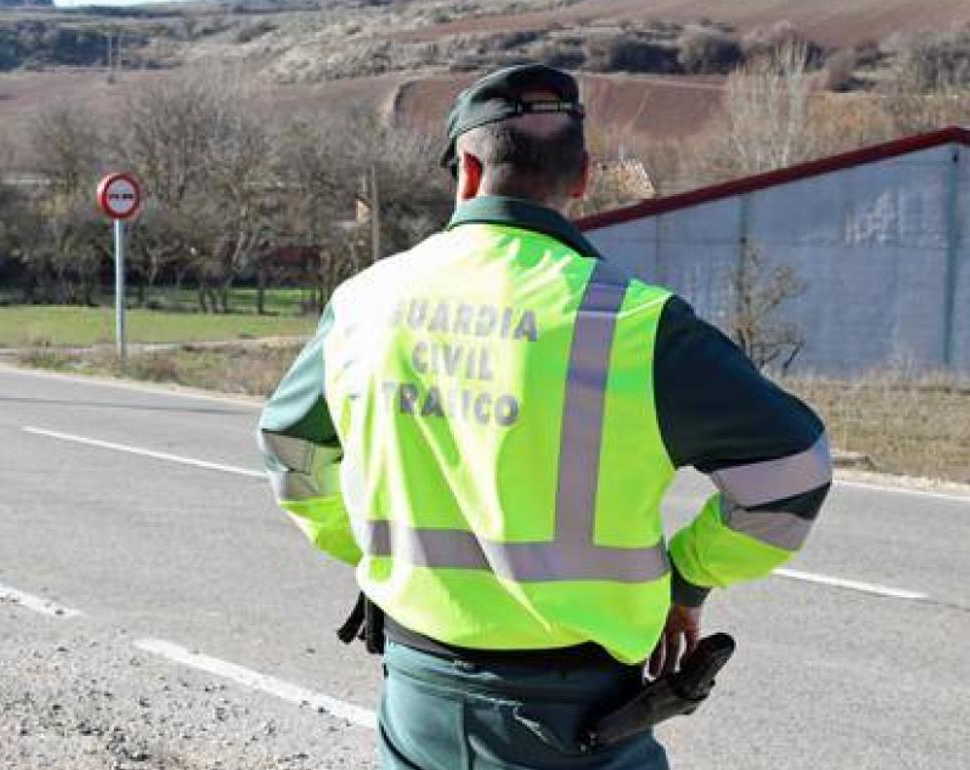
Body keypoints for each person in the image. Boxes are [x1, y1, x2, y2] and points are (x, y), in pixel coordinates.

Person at [257, 63, 831, 770]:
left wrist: (371, 550)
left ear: (466, 170)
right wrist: (687, 578)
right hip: (577, 716)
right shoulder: (636, 325)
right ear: (583, 177)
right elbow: (793, 472)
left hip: (416, 693)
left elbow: (289, 446)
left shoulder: (366, 303)